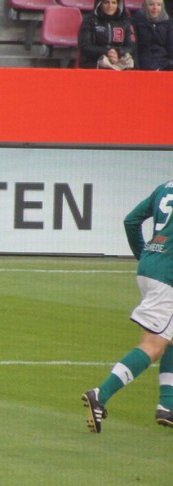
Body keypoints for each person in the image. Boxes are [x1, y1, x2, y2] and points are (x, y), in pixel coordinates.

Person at [82, 179, 173, 433]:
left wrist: (146, 255)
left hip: (150, 266)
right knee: (153, 344)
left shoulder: (165, 187)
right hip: (168, 276)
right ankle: (100, 394)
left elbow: (131, 221)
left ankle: (168, 405)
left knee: (170, 336)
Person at [78, 0, 136, 70]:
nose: (110, 6)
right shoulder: (89, 20)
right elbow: (85, 46)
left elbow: (132, 47)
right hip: (95, 61)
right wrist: (106, 52)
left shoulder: (126, 21)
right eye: (106, 2)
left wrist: (118, 52)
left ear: (118, 4)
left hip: (119, 60)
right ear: (100, 4)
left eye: (114, 3)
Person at [132, 0, 173, 70]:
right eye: (151, 4)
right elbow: (135, 47)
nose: (155, 8)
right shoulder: (136, 22)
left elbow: (171, 47)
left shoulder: (168, 24)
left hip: (164, 63)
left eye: (159, 5)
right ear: (145, 6)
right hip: (143, 63)